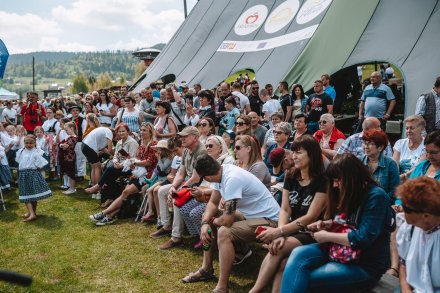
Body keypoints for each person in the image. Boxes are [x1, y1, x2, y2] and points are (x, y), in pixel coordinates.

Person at [280, 154, 394, 292]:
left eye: (337, 180)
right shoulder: (351, 191)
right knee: (298, 254)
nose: (334, 185)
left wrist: (327, 236)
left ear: (351, 178)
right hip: (338, 250)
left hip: (364, 263)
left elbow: (363, 238)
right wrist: (327, 224)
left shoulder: (376, 197)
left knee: (304, 278)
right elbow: (345, 222)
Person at [182, 154, 280, 292]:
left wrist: (209, 222)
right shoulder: (221, 171)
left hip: (271, 221)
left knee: (224, 232)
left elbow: (227, 220)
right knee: (208, 215)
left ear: (207, 177)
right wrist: (205, 223)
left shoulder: (231, 178)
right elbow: (213, 202)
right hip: (252, 217)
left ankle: (222, 287)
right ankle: (206, 269)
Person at [250, 135, 328, 293]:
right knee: (283, 262)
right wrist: (280, 232)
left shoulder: (323, 180)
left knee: (278, 248)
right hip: (292, 229)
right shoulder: (291, 175)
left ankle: (254, 291)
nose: (293, 156)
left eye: (298, 152)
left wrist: (279, 232)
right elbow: (285, 209)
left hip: (313, 232)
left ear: (312, 154)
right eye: (293, 152)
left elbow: (311, 216)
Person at [89, 123, 158, 226]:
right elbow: (136, 160)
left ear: (151, 132)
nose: (142, 132)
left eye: (144, 130)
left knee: (125, 192)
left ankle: (104, 213)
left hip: (148, 176)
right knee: (125, 193)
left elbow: (149, 162)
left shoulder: (153, 144)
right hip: (138, 173)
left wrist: (133, 163)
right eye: (141, 130)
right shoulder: (142, 143)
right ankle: (108, 215)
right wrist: (132, 164)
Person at [150, 127, 207, 245]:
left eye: (185, 136)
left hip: (201, 187)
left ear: (195, 137)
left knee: (177, 198)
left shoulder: (201, 151)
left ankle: (176, 237)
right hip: (189, 184)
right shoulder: (186, 150)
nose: (182, 139)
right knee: (162, 191)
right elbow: (181, 173)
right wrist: (173, 187)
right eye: (181, 136)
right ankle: (166, 225)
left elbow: (196, 178)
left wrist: (178, 190)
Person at [179, 135, 234, 248]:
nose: (208, 148)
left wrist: (203, 192)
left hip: (217, 197)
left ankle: (207, 240)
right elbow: (197, 178)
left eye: (211, 146)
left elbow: (222, 187)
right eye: (206, 146)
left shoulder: (227, 161)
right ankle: (196, 235)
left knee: (194, 213)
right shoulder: (206, 159)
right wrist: (186, 190)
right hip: (204, 193)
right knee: (183, 209)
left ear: (220, 147)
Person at [396, 177, 440, 293]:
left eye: (406, 208)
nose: (402, 210)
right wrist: (405, 289)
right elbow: (403, 265)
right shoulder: (409, 228)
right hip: (411, 287)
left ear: (426, 216)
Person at [84, 123, 139, 197]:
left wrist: (121, 165)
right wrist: (116, 162)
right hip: (119, 165)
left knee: (110, 169)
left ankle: (98, 186)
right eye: (119, 131)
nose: (121, 133)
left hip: (129, 167)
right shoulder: (119, 142)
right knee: (109, 173)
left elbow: (132, 159)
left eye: (123, 131)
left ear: (128, 132)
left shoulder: (132, 143)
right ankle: (109, 198)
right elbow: (115, 155)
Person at [16, 135, 52, 222]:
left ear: (34, 143)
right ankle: (31, 212)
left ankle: (32, 213)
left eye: (31, 143)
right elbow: (19, 161)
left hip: (32, 174)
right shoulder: (20, 151)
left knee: (31, 195)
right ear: (24, 143)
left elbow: (40, 165)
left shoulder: (36, 152)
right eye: (26, 143)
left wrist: (34, 172)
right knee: (26, 194)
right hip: (23, 174)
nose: (28, 145)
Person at [360, 129, 400, 200]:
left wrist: (378, 200)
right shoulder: (358, 162)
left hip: (382, 204)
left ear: (380, 147)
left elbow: (395, 191)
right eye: (365, 143)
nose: (366, 146)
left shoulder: (390, 164)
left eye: (371, 144)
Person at [393, 115, 426, 181]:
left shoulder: (426, 145)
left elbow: (419, 167)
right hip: (399, 180)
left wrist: (403, 176)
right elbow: (394, 165)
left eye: (412, 128)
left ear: (422, 129)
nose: (408, 131)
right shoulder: (400, 143)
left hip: (417, 180)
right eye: (407, 128)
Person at [58, 122, 78, 195]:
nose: (66, 131)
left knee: (71, 173)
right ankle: (71, 187)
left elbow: (65, 146)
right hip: (67, 157)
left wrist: (61, 145)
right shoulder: (70, 137)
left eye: (67, 130)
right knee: (69, 173)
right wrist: (62, 145)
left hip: (70, 158)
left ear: (72, 128)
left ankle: (72, 188)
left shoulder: (73, 138)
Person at [69, 105, 87, 180]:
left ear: (79, 112)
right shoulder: (69, 120)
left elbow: (84, 131)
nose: (75, 112)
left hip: (79, 141)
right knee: (71, 157)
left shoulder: (82, 120)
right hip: (70, 141)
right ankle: (74, 172)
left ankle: (81, 174)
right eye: (73, 110)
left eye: (76, 110)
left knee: (80, 158)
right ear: (71, 112)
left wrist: (82, 140)